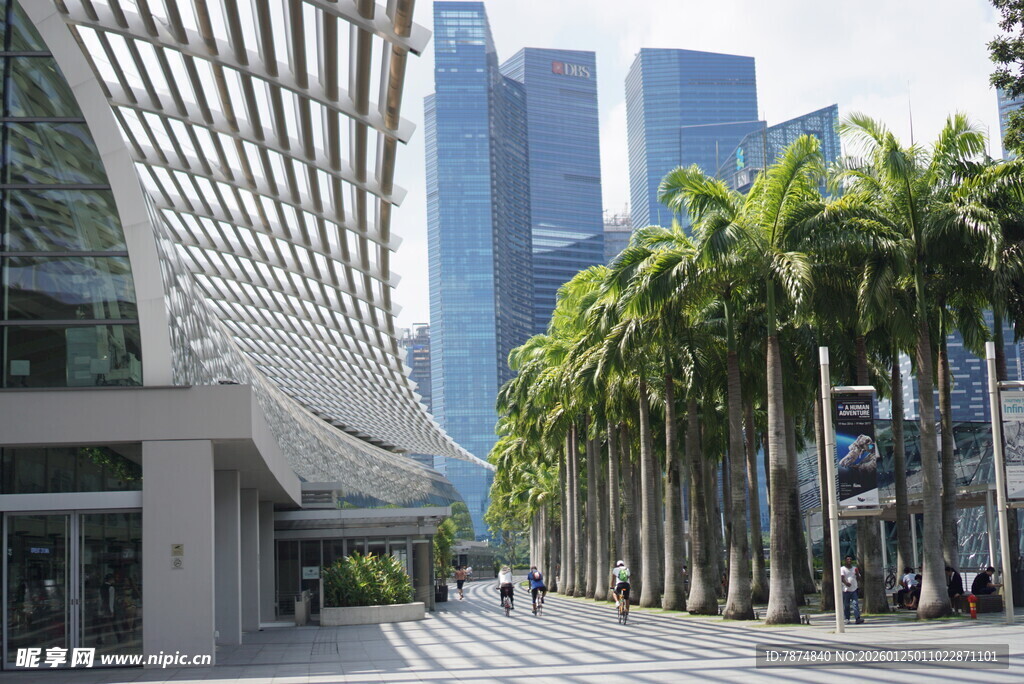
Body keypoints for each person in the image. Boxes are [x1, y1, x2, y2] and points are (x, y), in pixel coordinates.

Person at [840, 556, 864, 624]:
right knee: (846, 605)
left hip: (854, 589)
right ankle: (847, 619)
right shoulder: (842, 569)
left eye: (850, 559)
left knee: (855, 604)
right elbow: (842, 577)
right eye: (848, 559)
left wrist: (857, 574)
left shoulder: (854, 568)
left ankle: (857, 618)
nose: (849, 560)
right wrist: (846, 583)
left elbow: (859, 578)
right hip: (846, 590)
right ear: (845, 561)